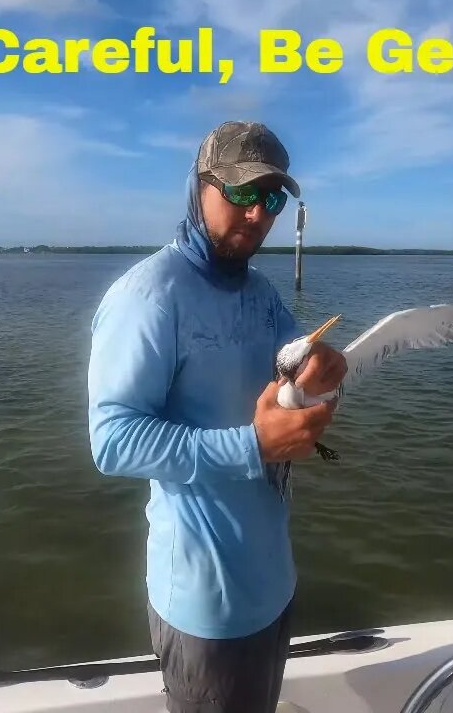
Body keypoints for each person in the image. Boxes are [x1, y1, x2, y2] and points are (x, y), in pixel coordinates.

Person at [87, 121, 349, 712]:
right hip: (207, 608)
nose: (258, 215)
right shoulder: (150, 296)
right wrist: (253, 445)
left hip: (274, 585)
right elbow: (112, 441)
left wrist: (325, 382)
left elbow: (293, 384)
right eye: (240, 193)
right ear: (198, 185)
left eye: (272, 199)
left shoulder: (262, 296)